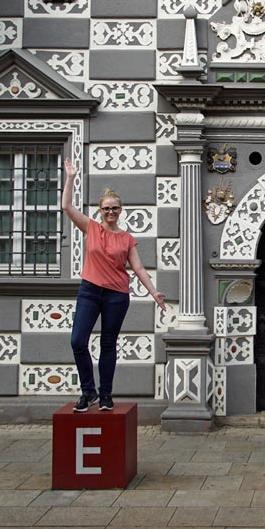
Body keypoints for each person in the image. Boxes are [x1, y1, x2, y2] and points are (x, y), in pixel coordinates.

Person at [62, 158, 166, 412]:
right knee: (78, 341)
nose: (111, 212)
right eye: (107, 208)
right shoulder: (91, 228)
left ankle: (105, 394)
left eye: (115, 208)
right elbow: (66, 207)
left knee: (108, 344)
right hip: (89, 290)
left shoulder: (127, 238)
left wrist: (154, 292)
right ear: (100, 210)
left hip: (117, 295)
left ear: (121, 210)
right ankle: (89, 392)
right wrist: (71, 177)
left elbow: (138, 268)